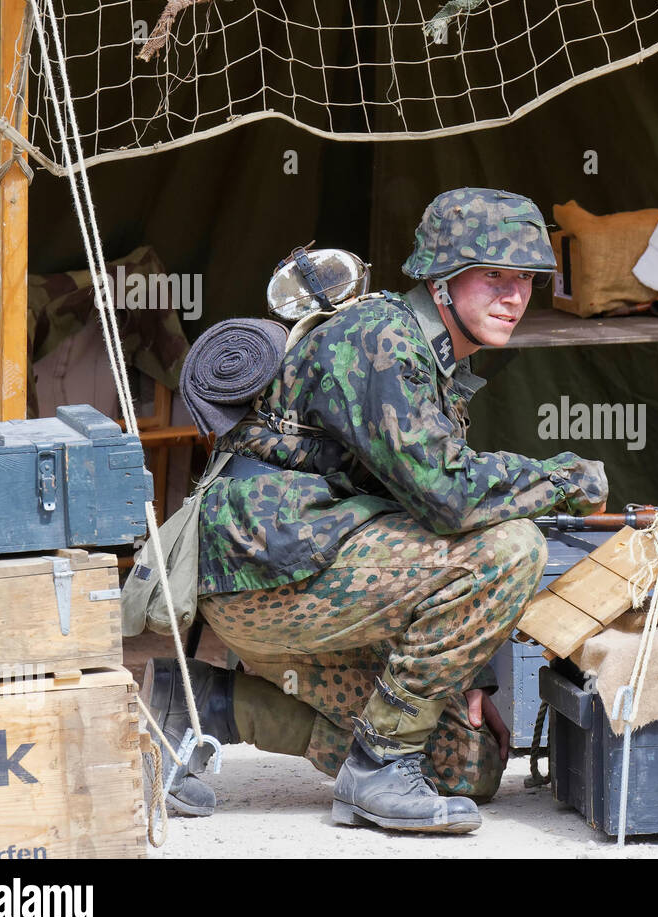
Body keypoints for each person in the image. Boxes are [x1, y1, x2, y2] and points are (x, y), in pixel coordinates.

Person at [143, 188, 608, 833]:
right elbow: (452, 498)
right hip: (271, 572)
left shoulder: (427, 359)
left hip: (318, 566)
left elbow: (422, 511)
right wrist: (562, 479)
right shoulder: (377, 338)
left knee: (466, 766)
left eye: (528, 278)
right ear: (442, 282)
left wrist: (471, 677)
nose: (516, 295)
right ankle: (379, 765)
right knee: (513, 548)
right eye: (495, 275)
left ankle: (197, 705)